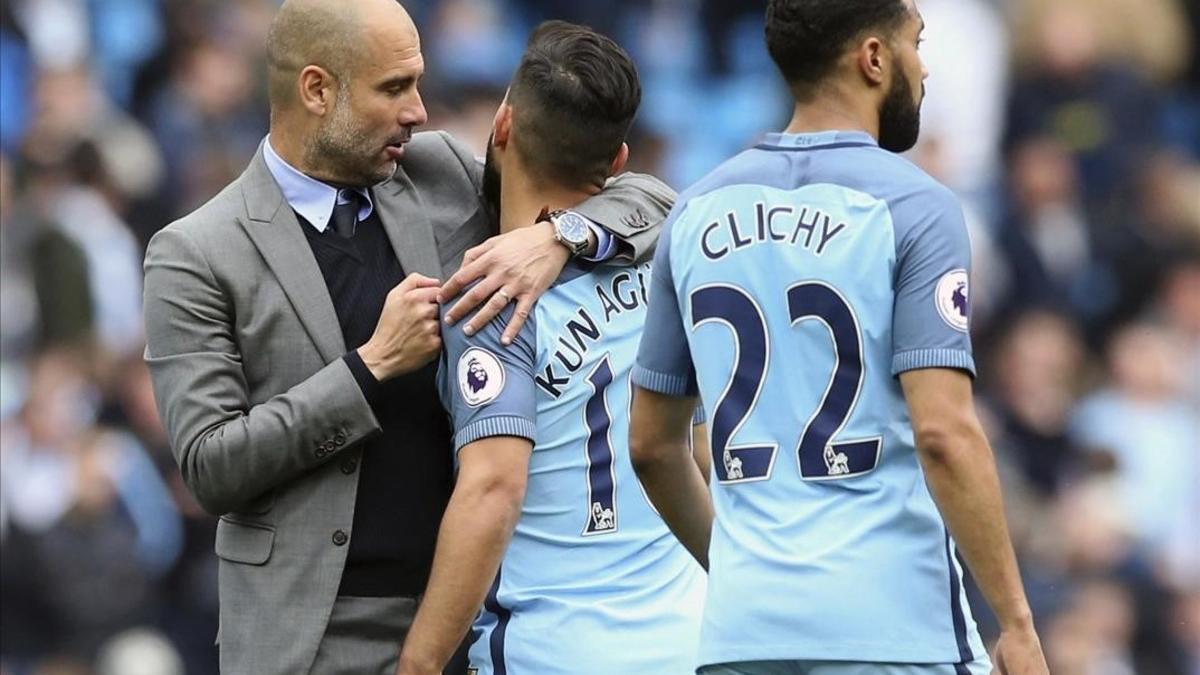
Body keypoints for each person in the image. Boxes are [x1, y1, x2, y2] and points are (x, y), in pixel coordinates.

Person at [141, 0, 672, 673]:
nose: (418, 110)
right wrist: (368, 368)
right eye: (394, 88)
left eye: (417, 83)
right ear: (316, 89)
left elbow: (648, 199)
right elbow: (211, 466)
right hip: (310, 632)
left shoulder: (439, 170)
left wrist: (555, 236)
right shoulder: (196, 252)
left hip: (461, 615)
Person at [628, 1, 1050, 674]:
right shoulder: (917, 207)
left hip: (744, 631)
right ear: (874, 59)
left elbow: (651, 444)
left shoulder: (695, 209)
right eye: (917, 43)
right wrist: (1019, 621)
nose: (927, 67)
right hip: (892, 628)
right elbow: (944, 433)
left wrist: (742, 570)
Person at [395, 21, 706, 675]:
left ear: (501, 126)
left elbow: (492, 490)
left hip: (554, 650)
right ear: (617, 162)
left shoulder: (490, 295)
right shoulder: (665, 267)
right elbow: (702, 452)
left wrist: (419, 664)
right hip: (690, 640)